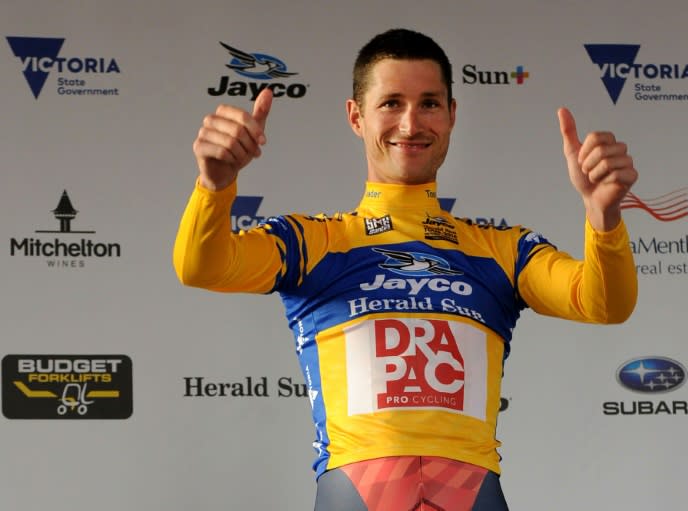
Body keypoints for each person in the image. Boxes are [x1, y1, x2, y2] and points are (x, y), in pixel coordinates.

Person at [174, 28, 638, 511]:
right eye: (391, 103)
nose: (411, 123)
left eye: (430, 104)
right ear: (356, 116)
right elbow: (201, 267)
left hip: (472, 489)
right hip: (356, 488)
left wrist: (603, 219)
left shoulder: (502, 248)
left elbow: (605, 303)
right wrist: (214, 186)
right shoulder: (314, 241)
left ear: (453, 115)